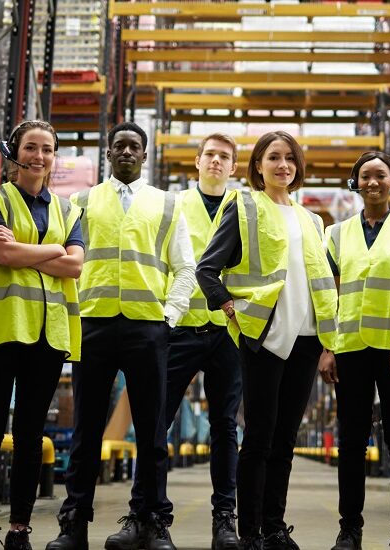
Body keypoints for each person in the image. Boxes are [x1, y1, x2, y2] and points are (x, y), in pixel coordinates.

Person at [46, 121, 194, 550]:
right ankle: (74, 524)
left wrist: (169, 316)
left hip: (147, 328)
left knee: (151, 433)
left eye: (134, 146)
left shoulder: (166, 204)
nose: (127, 152)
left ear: (144, 155)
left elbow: (184, 267)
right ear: (108, 154)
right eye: (119, 146)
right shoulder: (81, 202)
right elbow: (66, 261)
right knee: (86, 432)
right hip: (93, 325)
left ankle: (152, 521)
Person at [197, 131, 338, 550]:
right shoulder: (244, 207)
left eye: (290, 158)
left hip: (307, 339)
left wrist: (329, 341)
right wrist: (230, 308)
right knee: (259, 438)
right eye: (273, 157)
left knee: (285, 441)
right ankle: (251, 533)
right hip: (264, 337)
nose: (283, 165)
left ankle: (275, 528)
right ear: (258, 166)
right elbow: (207, 269)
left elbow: (322, 282)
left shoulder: (312, 220)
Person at [0, 120, 84, 550]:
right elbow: (1, 252)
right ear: (14, 152)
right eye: (31, 147)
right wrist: (53, 249)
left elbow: (75, 266)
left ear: (54, 157)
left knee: (31, 435)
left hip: (47, 334)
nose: (39, 156)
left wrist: (25, 252)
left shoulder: (69, 210)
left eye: (47, 149)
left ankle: (19, 530)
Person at [129, 133, 243, 550]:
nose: (216, 161)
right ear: (196, 162)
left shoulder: (246, 209)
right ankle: (143, 515)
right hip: (179, 330)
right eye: (209, 154)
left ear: (234, 168)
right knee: (155, 422)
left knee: (225, 427)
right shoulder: (173, 204)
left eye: (224, 157)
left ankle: (225, 519)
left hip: (229, 332)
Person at [320, 152, 390, 550]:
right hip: (350, 349)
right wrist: (327, 347)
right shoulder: (337, 234)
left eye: (380, 175)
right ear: (355, 183)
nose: (372, 182)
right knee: (351, 442)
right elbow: (326, 293)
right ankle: (349, 529)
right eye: (365, 176)